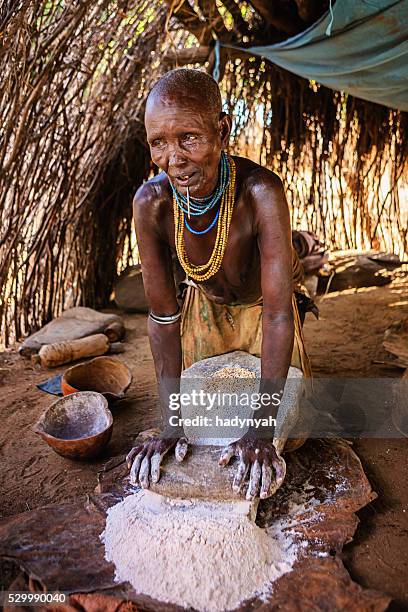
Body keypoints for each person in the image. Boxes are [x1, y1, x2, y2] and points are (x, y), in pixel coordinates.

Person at [126, 68, 311, 500]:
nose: (173, 158)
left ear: (222, 130)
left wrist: (262, 431)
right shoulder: (152, 204)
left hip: (265, 309)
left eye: (189, 137)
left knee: (292, 434)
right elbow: (163, 316)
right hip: (204, 309)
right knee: (202, 425)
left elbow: (279, 313)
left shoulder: (260, 191)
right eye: (158, 143)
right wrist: (170, 426)